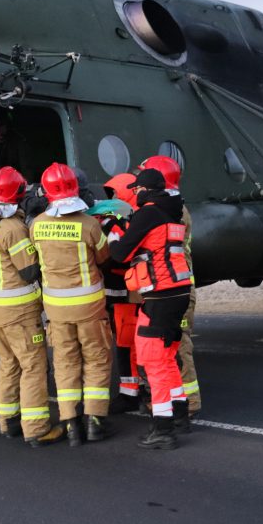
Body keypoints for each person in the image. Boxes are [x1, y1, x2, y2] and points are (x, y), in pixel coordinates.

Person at [0, 167, 65, 447]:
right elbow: (29, 271)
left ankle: (9, 421)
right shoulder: (13, 229)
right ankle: (37, 429)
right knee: (33, 366)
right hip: (19, 312)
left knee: (8, 364)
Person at [30, 163, 113, 445]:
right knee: (97, 361)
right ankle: (95, 422)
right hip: (90, 308)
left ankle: (70, 425)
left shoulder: (37, 225)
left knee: (65, 364)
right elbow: (104, 257)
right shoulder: (89, 225)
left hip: (56, 310)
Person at [111, 169, 192, 450]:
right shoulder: (172, 211)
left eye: (137, 189)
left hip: (160, 295)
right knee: (168, 356)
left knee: (153, 362)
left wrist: (114, 235)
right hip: (178, 291)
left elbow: (121, 254)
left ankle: (163, 429)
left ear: (145, 190)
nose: (135, 193)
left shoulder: (148, 213)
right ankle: (180, 414)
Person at [140, 155, 201, 422]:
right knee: (170, 348)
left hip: (175, 288)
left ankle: (188, 404)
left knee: (178, 348)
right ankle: (178, 402)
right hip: (179, 286)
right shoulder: (175, 207)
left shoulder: (170, 211)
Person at [93, 173, 143, 413]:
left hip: (126, 293)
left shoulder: (122, 224)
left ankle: (131, 393)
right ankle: (135, 390)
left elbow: (118, 255)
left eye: (114, 193)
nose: (111, 197)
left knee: (126, 343)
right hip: (124, 292)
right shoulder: (132, 219)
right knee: (128, 343)